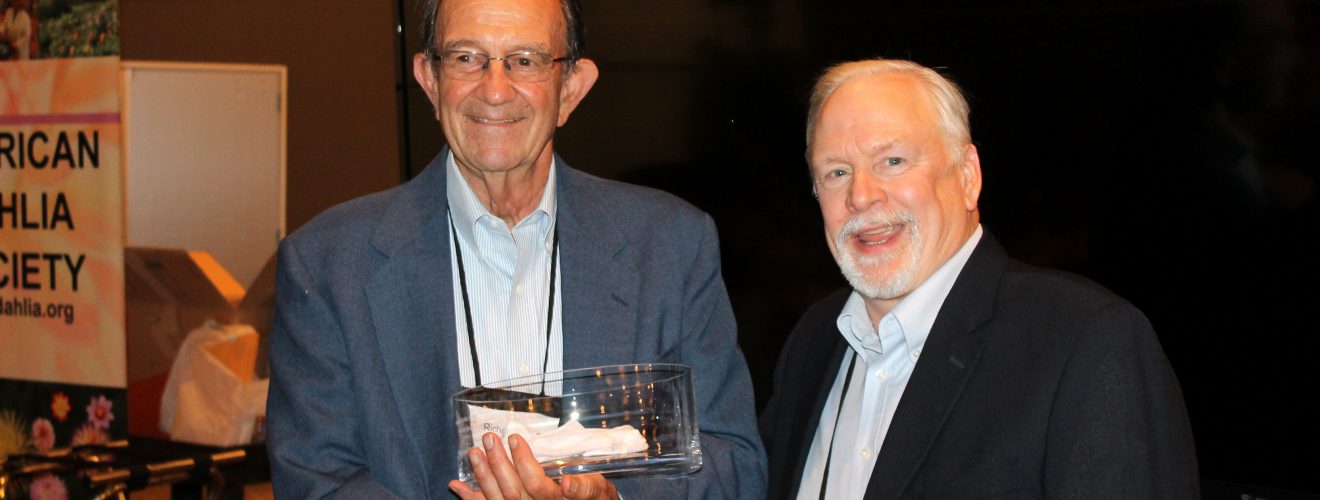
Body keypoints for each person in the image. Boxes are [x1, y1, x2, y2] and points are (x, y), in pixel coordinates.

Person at [264, 0, 766, 498]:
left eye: (525, 61)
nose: (495, 90)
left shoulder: (671, 246)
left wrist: (612, 499)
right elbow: (316, 480)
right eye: (466, 58)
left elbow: (734, 465)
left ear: (570, 88)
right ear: (430, 80)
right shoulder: (328, 265)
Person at [759, 58, 1199, 499]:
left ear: (968, 175)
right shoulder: (815, 340)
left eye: (892, 161)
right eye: (836, 172)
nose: (860, 195)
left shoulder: (1085, 341)